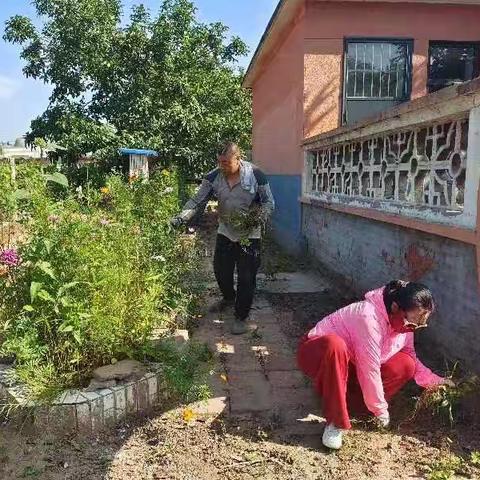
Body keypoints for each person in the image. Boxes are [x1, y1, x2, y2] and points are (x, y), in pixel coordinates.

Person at [297, 280, 455, 450]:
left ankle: (351, 406)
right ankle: (335, 422)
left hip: (352, 363)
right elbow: (369, 369)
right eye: (411, 323)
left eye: (420, 325)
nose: (414, 328)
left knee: (405, 364)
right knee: (335, 345)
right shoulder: (368, 317)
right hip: (318, 354)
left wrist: (436, 381)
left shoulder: (405, 327)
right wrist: (380, 409)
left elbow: (411, 357)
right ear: (395, 308)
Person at [171, 141, 275, 335]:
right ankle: (228, 298)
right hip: (226, 230)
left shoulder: (256, 175)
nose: (222, 166)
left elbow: (269, 202)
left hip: (249, 234)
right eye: (220, 162)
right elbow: (197, 200)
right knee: (221, 271)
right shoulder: (213, 177)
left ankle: (241, 317)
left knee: (246, 276)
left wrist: (260, 217)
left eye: (226, 162)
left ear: (238, 158)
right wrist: (182, 216)